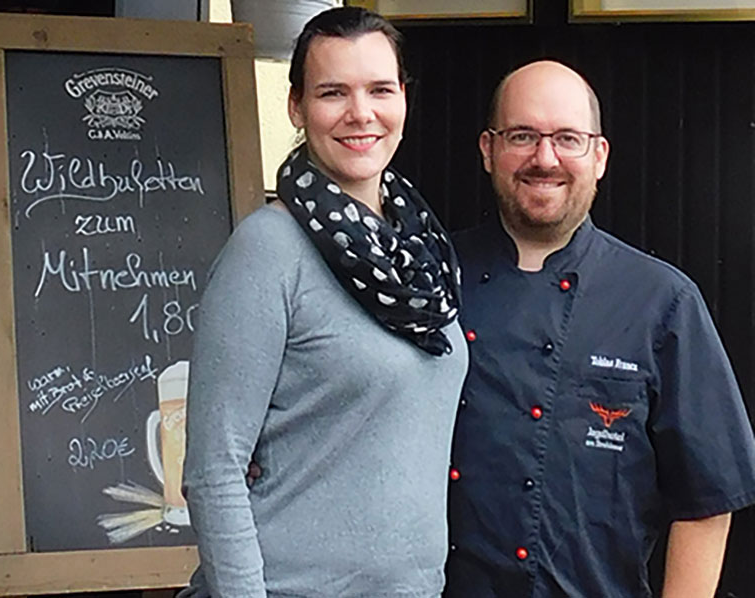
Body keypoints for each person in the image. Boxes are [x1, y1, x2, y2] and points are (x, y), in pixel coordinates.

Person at [180, 7, 468, 598]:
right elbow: (214, 470)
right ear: (296, 107)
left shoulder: (422, 254)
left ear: (403, 100)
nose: (360, 114)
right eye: (333, 92)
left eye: (379, 90)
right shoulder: (267, 250)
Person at [445, 59, 755, 598]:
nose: (545, 158)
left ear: (600, 156)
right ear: (488, 150)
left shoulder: (662, 300)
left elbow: (707, 499)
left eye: (568, 138)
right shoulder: (432, 278)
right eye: (522, 136)